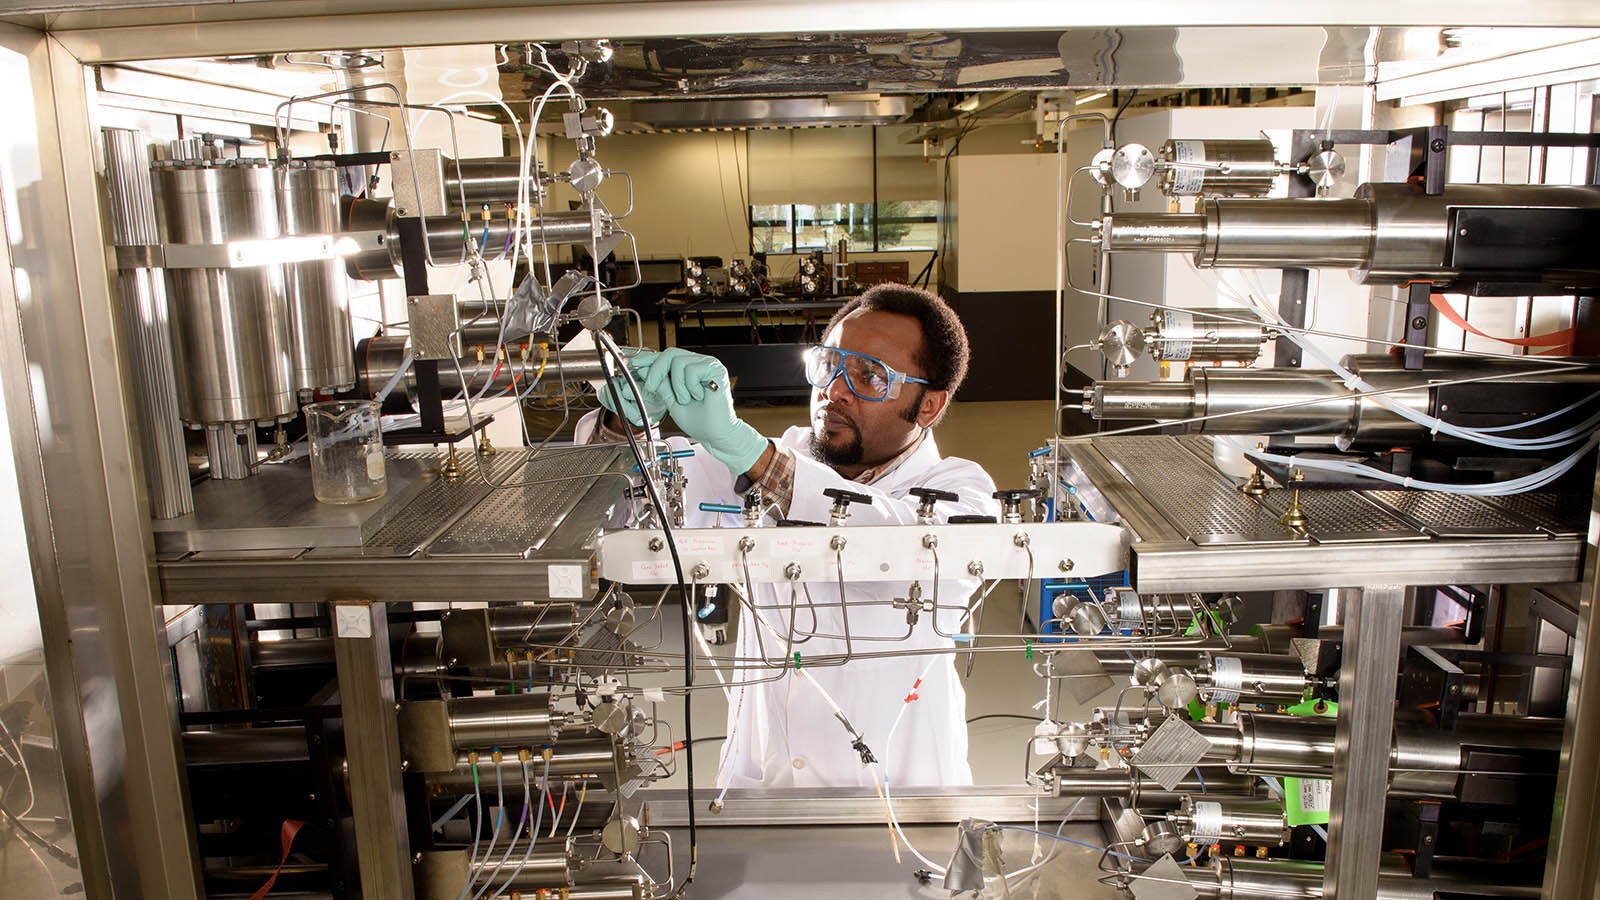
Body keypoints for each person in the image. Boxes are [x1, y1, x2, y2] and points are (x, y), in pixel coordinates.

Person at [580, 283, 999, 788]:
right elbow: (612, 506)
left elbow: (898, 547)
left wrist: (749, 452)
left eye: (870, 376)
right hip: (762, 781)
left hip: (904, 793)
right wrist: (620, 420)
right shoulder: (758, 463)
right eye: (829, 364)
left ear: (928, 406)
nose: (836, 390)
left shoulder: (962, 492)